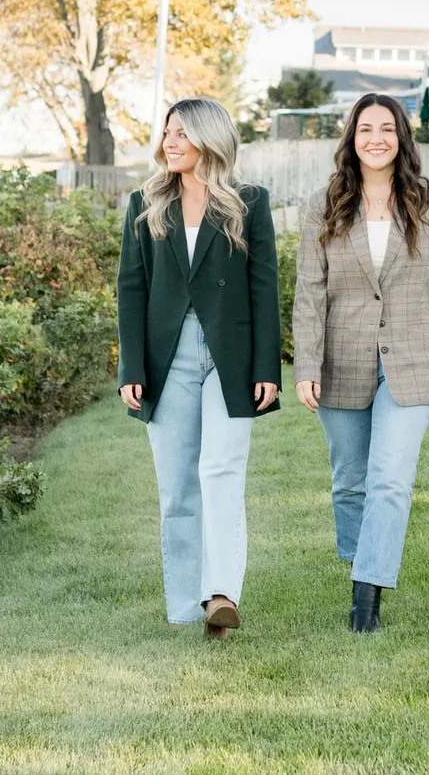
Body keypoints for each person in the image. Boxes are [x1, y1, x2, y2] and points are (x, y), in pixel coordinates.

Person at [293, 93, 429, 632]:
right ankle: (363, 560)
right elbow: (309, 292)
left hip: (413, 362)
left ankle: (365, 600)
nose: (376, 138)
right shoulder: (324, 203)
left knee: (390, 479)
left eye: (387, 129)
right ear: (351, 138)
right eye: (365, 129)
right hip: (341, 361)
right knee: (350, 481)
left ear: (402, 137)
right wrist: (306, 364)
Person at [116, 97, 281, 640]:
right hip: (168, 359)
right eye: (167, 132)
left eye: (182, 133)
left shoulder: (249, 203)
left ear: (210, 138)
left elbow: (264, 289)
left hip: (230, 357)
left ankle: (221, 595)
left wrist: (267, 367)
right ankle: (185, 605)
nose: (171, 141)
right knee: (178, 488)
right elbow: (131, 289)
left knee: (222, 470)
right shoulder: (146, 203)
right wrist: (131, 367)